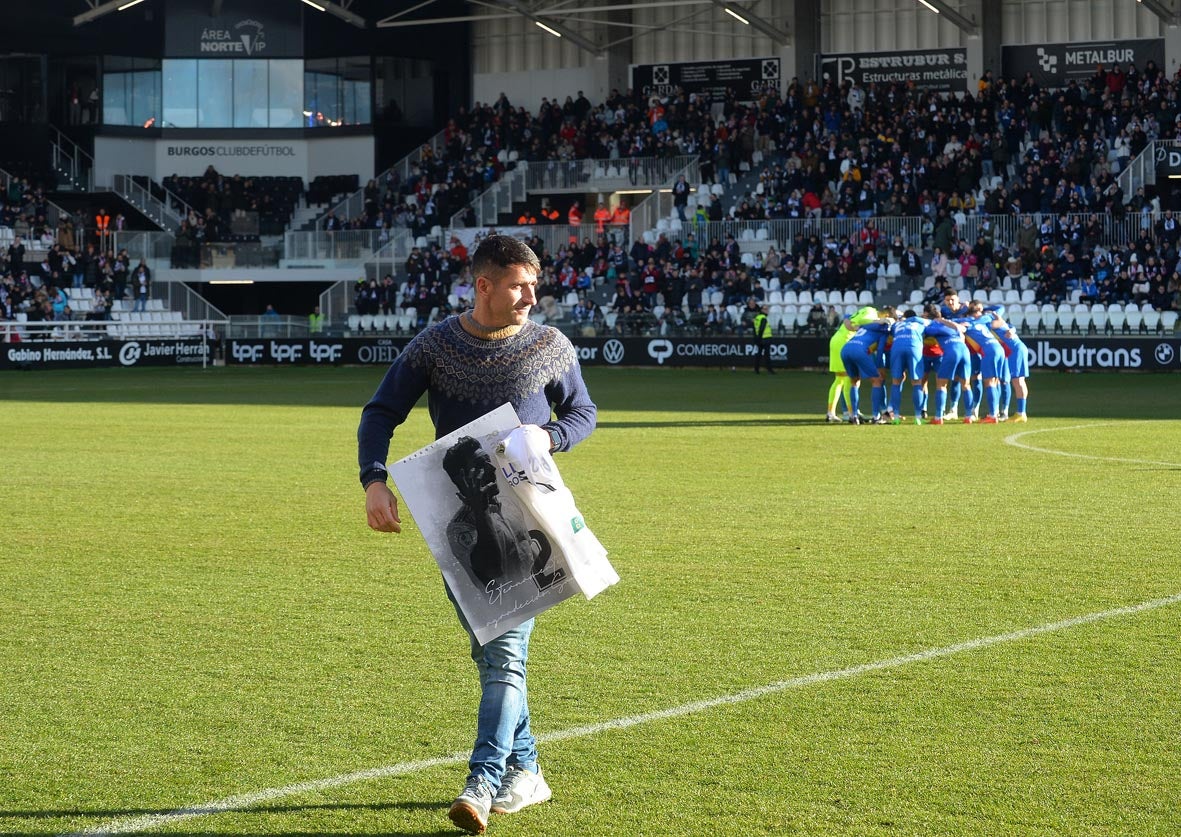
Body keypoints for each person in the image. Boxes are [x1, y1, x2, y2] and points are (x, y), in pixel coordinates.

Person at [357, 234, 596, 835]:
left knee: (505, 655)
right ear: (483, 285)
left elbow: (583, 415)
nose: (530, 296)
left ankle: (482, 782)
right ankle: (529, 770)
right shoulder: (436, 346)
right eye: (518, 285)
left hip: (531, 516)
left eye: (534, 285)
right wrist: (374, 480)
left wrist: (552, 437)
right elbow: (380, 412)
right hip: (459, 525)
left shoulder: (549, 346)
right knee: (491, 651)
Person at [752, 304, 773, 374]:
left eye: (767, 309)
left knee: (759, 354)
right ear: (762, 310)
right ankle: (769, 370)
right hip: (765, 339)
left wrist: (757, 339)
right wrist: (760, 338)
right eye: (765, 309)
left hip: (759, 339)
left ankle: (756, 369)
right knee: (767, 355)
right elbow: (761, 329)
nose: (767, 310)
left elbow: (755, 329)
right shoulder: (763, 318)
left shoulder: (757, 318)